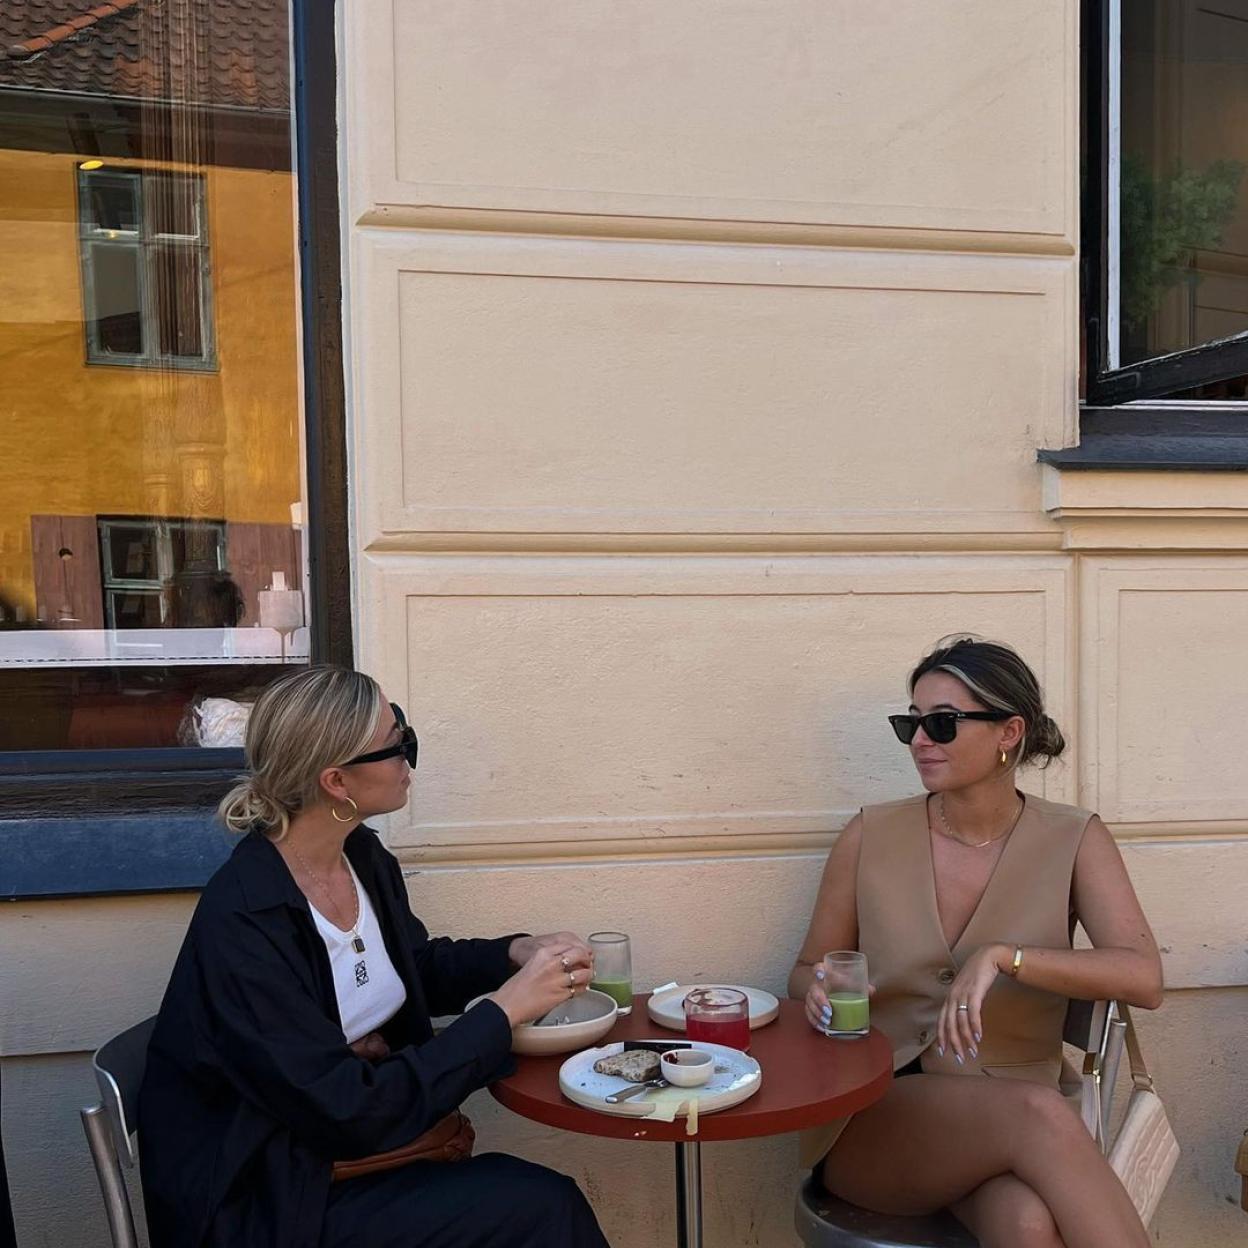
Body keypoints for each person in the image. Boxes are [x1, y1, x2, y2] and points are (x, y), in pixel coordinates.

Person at [139, 665, 610, 1248]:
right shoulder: (246, 918)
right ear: (337, 781)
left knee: (532, 1204)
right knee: (541, 1208)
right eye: (398, 743)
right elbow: (346, 1109)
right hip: (271, 1196)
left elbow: (413, 968)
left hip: (338, 1150)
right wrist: (505, 1011)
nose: (409, 757)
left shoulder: (359, 856)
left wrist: (512, 954)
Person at [789, 636, 1163, 1248]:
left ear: (1009, 733)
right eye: (910, 723)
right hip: (882, 1114)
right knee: (1039, 1114)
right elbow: (806, 969)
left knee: (1026, 1224)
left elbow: (1143, 977)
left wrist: (1006, 957)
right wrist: (819, 989)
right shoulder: (870, 835)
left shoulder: (1074, 838)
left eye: (941, 723)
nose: (919, 741)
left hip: (1010, 1118)